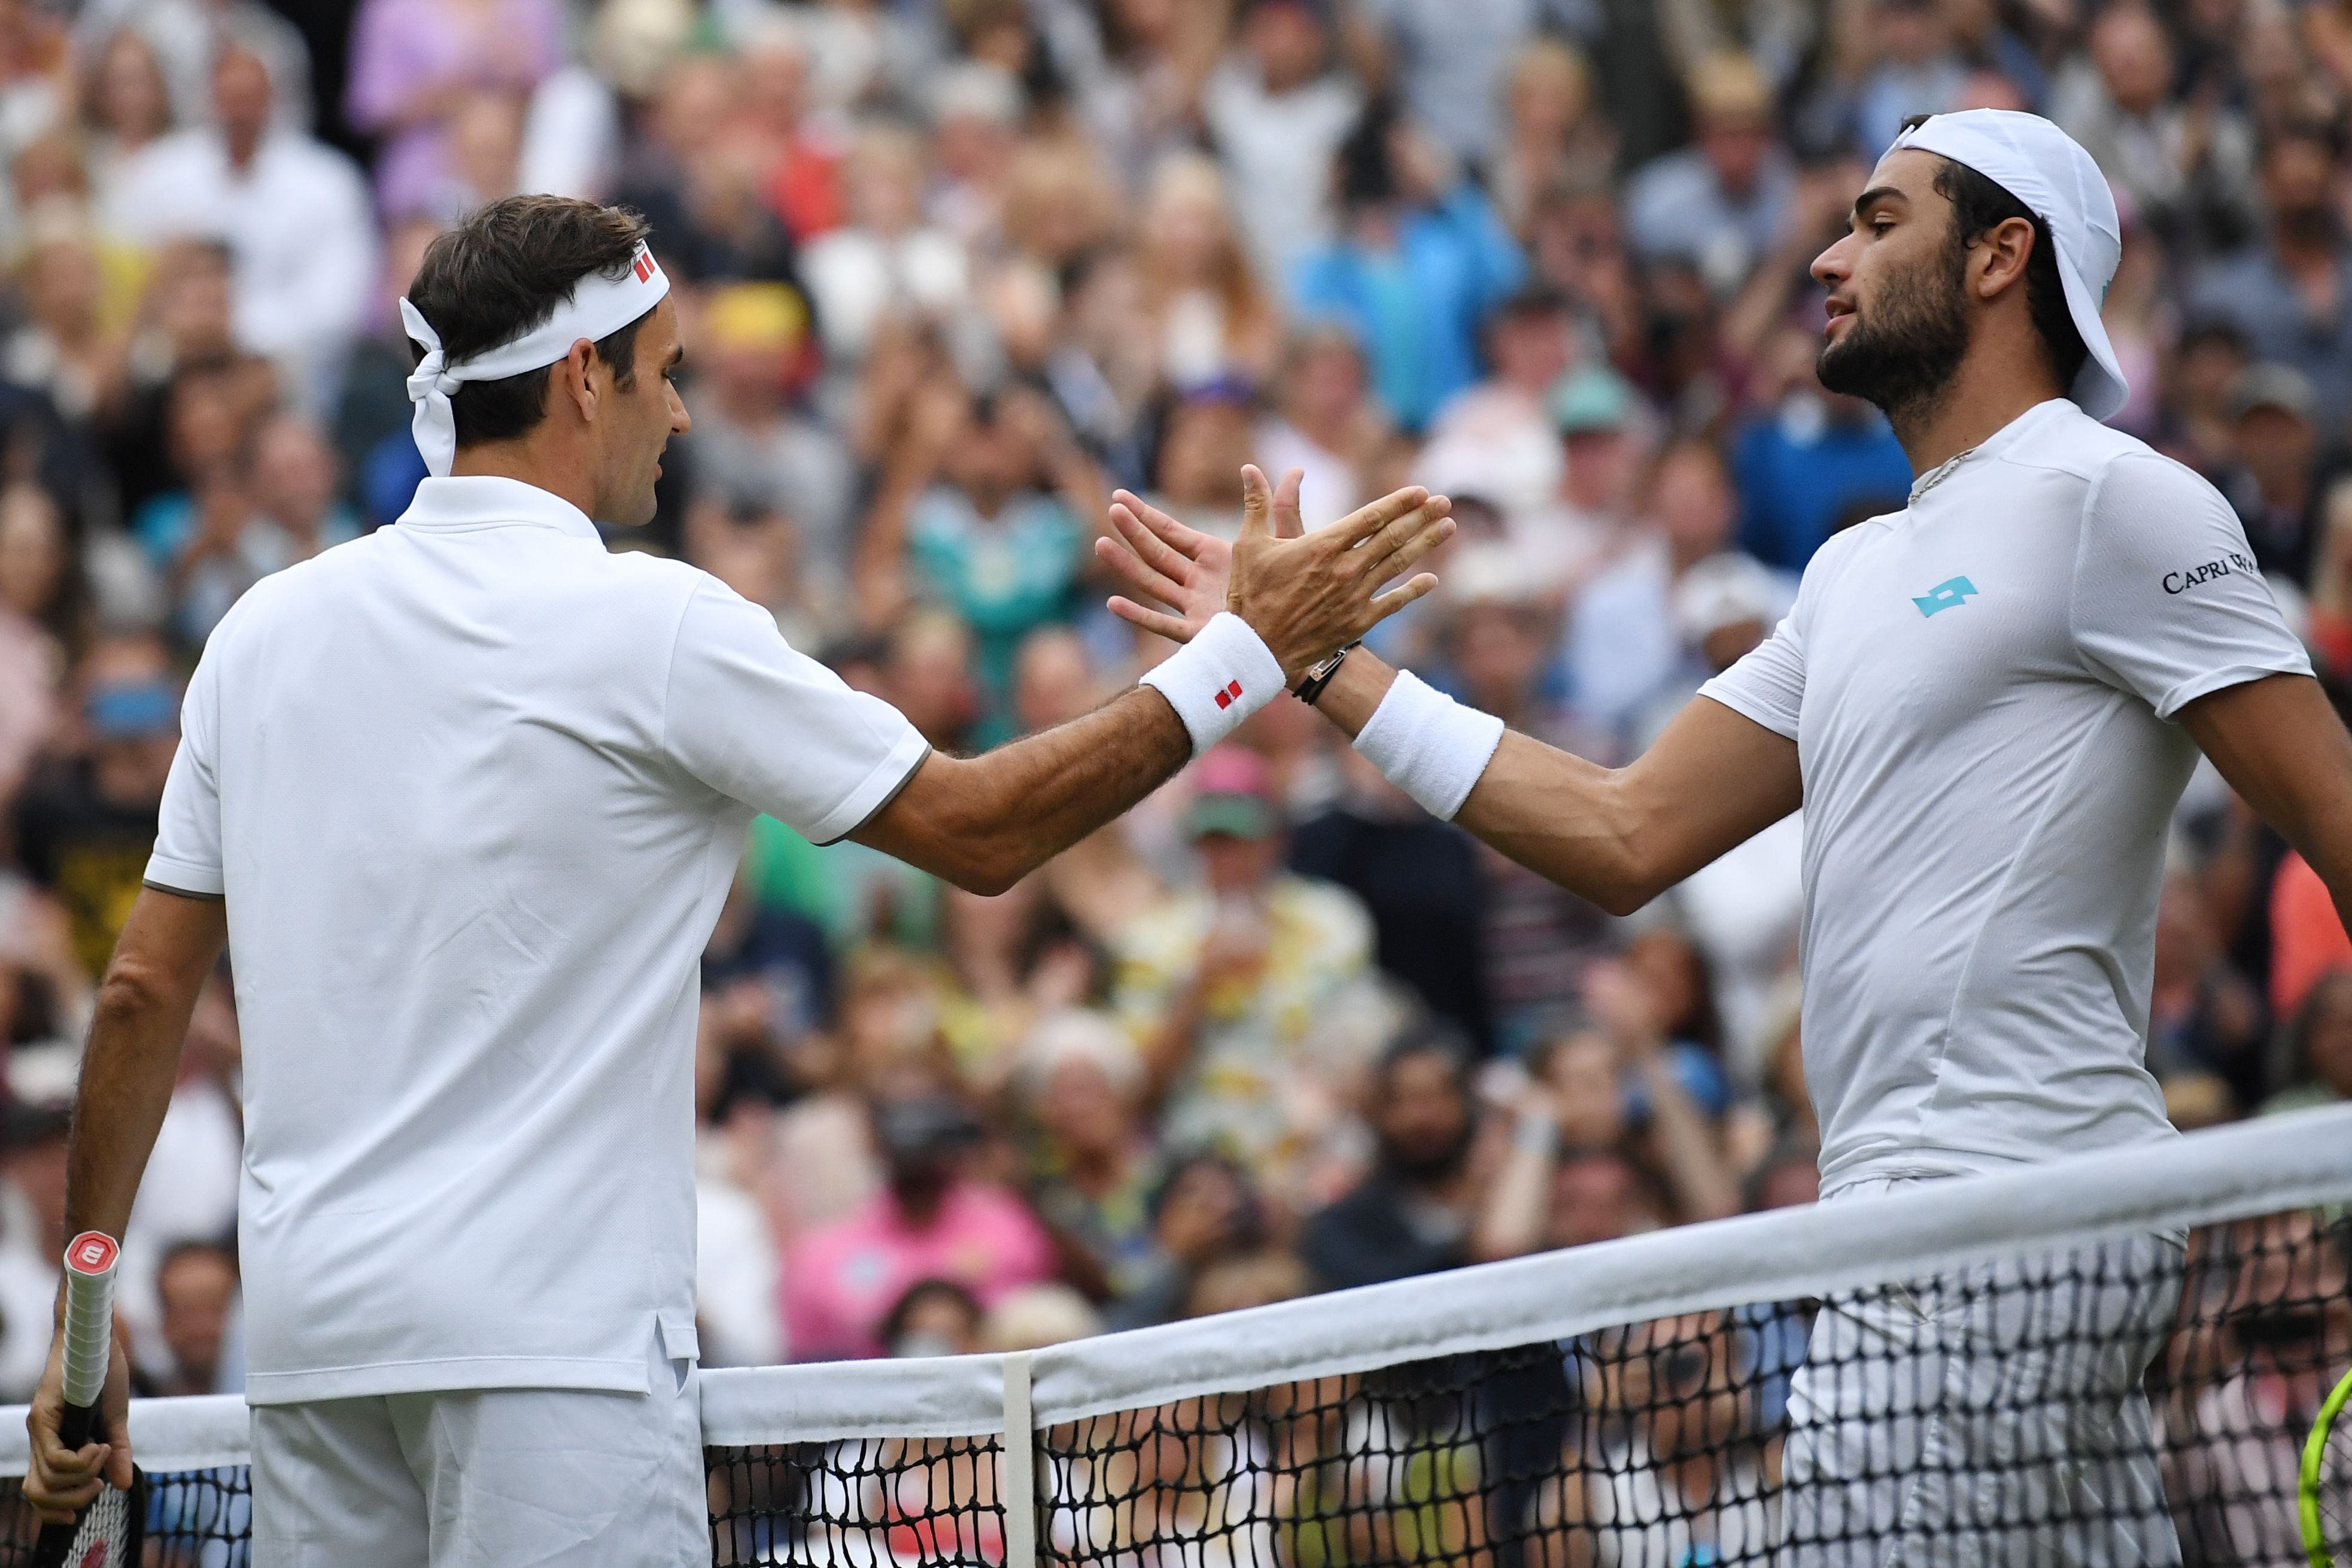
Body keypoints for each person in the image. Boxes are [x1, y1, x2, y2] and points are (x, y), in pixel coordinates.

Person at [23, 192, 1453, 1560]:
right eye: (666, 371)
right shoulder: (653, 622)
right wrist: (1243, 658)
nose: (685, 409)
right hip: (558, 1366)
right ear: (585, 379)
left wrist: (84, 1341)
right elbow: (980, 831)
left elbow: (146, 986)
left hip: (319, 1358)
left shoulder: (262, 634)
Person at [1098, 108, 2352, 1565]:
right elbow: (1624, 829)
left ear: (2005, 255)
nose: (1828, 256)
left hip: (2001, 1206)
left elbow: (2334, 811)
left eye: (1881, 222)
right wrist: (1314, 662)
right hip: (1949, 1222)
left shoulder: (2118, 497)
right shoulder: (1853, 569)